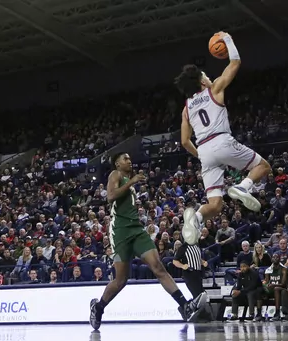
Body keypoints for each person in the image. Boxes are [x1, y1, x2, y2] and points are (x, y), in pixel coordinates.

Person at [89, 153, 207, 330]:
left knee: (158, 267)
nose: (129, 160)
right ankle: (98, 308)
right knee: (121, 280)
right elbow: (110, 196)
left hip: (136, 229)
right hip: (120, 231)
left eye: (130, 158)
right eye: (125, 158)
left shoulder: (128, 179)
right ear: (117, 163)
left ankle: (184, 306)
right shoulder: (116, 174)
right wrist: (131, 182)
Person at [175, 31, 271, 245]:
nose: (209, 77)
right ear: (201, 80)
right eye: (206, 75)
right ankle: (244, 187)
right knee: (263, 166)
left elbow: (184, 141)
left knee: (215, 205)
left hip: (204, 151)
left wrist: (200, 155)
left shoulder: (186, 109)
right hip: (221, 140)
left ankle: (197, 217)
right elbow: (235, 63)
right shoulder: (214, 89)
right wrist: (227, 39)